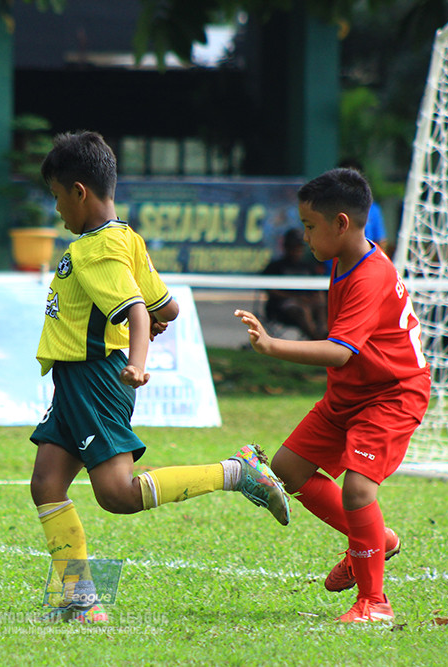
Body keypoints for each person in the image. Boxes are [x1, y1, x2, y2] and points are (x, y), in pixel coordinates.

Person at [30, 131, 290, 623]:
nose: (58, 209)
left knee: (118, 495)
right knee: (46, 483)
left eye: (58, 196)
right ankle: (80, 603)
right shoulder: (124, 238)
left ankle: (237, 472)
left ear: (79, 192)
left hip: (95, 379)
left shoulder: (95, 251)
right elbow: (163, 304)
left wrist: (138, 360)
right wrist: (149, 321)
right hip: (74, 383)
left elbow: (136, 311)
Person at [235, 167, 431, 623]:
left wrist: (270, 345)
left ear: (340, 223)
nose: (303, 237)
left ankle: (375, 603)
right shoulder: (348, 259)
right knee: (287, 467)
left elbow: (340, 352)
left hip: (391, 394)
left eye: (309, 226)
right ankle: (376, 541)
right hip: (351, 393)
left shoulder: (369, 275)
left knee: (358, 490)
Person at [262, 228, 328, 339]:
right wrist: (296, 298)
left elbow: (318, 288)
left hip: (308, 302)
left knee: (321, 305)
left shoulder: (308, 266)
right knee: (302, 310)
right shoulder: (275, 266)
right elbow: (270, 290)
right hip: (282, 308)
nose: (297, 250)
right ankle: (317, 339)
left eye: (299, 247)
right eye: (294, 247)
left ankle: (325, 334)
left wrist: (318, 298)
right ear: (286, 247)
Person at [338, 158, 388, 253]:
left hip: (363, 264)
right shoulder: (328, 207)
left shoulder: (372, 209)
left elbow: (381, 241)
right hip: (333, 266)